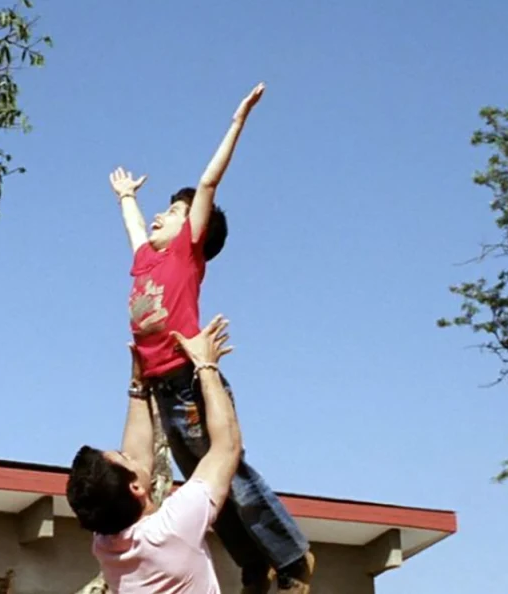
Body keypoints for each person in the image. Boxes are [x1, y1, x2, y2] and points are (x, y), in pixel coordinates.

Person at [108, 83, 314, 594]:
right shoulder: (146, 260)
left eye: (172, 212)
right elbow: (135, 228)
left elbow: (207, 181)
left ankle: (292, 558)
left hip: (188, 384)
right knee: (205, 488)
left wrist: (237, 121)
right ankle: (252, 563)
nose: (162, 215)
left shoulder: (184, 255)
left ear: (191, 231)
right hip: (161, 389)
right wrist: (127, 197)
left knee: (230, 471)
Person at [67, 314, 241, 593]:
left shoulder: (106, 544)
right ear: (135, 487)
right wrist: (206, 365)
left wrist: (138, 386)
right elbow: (226, 447)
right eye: (125, 458)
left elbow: (137, 458)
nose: (131, 454)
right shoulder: (172, 530)